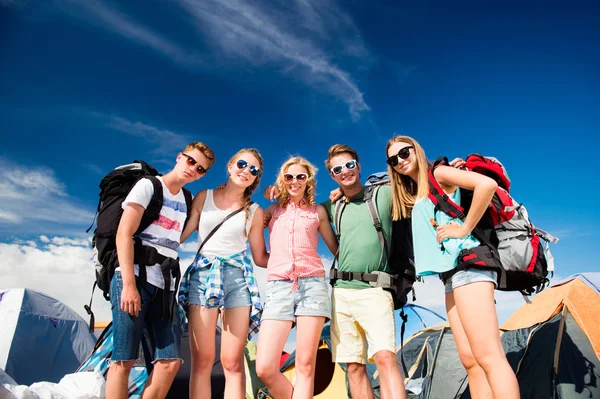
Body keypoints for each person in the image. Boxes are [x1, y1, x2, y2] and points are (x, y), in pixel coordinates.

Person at [267, 145, 407, 399]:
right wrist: (278, 194)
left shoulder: (383, 194)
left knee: (385, 357)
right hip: (340, 293)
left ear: (359, 165)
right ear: (332, 175)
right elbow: (300, 208)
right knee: (353, 366)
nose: (345, 172)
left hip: (375, 290)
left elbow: (411, 180)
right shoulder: (331, 206)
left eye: (349, 165)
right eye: (337, 169)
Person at [385, 135, 520, 398]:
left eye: (404, 153)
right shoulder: (417, 192)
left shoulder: (440, 172)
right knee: (470, 360)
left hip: (470, 265)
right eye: (393, 159)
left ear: (416, 150)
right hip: (451, 275)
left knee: (488, 355)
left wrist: (464, 228)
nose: (400, 161)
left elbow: (486, 184)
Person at [106, 142, 216, 399]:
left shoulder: (187, 199)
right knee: (124, 359)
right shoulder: (149, 186)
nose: (193, 170)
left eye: (201, 169)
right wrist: (129, 286)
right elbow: (124, 233)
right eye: (191, 161)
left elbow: (177, 239)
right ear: (180, 157)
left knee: (170, 362)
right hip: (132, 279)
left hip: (165, 289)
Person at [179, 148, 269, 399]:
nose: (246, 171)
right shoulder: (203, 196)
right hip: (203, 277)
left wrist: (292, 262)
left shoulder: (254, 211)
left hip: (238, 281)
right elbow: (181, 237)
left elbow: (260, 256)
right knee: (202, 360)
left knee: (232, 362)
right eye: (242, 164)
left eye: (254, 170)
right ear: (230, 166)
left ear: (255, 178)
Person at [255, 156, 338, 399]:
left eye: (300, 176)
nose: (294, 181)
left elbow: (337, 250)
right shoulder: (271, 211)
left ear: (308, 180)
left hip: (312, 285)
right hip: (279, 286)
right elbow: (245, 223)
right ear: (282, 180)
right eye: (289, 177)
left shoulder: (317, 212)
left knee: (305, 366)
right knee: (265, 367)